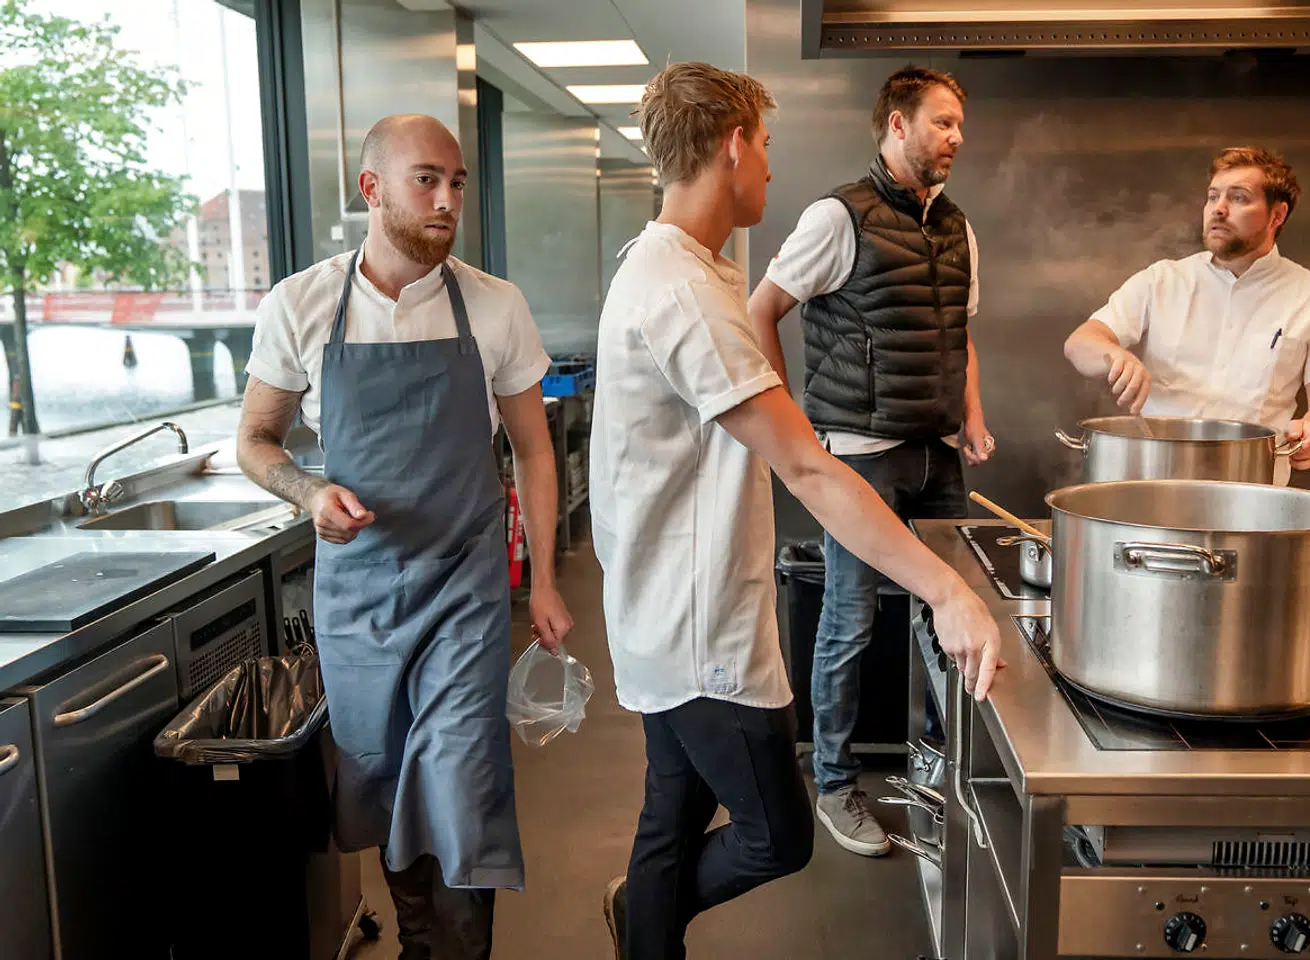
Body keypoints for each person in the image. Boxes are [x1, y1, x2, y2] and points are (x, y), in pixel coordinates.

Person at [589, 62, 1003, 960]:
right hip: (697, 632)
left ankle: (645, 925)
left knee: (670, 822)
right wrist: (948, 591)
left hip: (667, 613)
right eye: (766, 146)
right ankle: (647, 913)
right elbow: (811, 474)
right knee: (777, 836)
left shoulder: (681, 266)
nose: (771, 168)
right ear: (733, 145)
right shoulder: (689, 293)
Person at [235, 114, 574, 959]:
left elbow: (533, 449)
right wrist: (310, 493)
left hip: (464, 591)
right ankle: (422, 943)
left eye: (457, 182)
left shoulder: (494, 305)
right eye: (427, 179)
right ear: (371, 189)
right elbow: (255, 441)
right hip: (359, 603)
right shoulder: (303, 304)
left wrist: (544, 583)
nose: (448, 198)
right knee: (383, 786)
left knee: (463, 783)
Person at [746, 65, 992, 857]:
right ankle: (834, 782)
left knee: (947, 617)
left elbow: (959, 334)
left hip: (937, 453)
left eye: (959, 124)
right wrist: (790, 429)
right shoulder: (835, 217)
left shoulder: (956, 226)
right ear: (896, 124)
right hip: (859, 454)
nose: (957, 137)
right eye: (943, 122)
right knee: (848, 623)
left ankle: (940, 770)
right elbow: (763, 310)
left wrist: (973, 418)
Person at [1063, 146, 1310, 484]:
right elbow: (1080, 343)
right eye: (1213, 197)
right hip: (1152, 485)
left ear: (1277, 215)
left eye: (1238, 198)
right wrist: (1113, 354)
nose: (1218, 209)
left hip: (1253, 491)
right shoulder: (1162, 280)